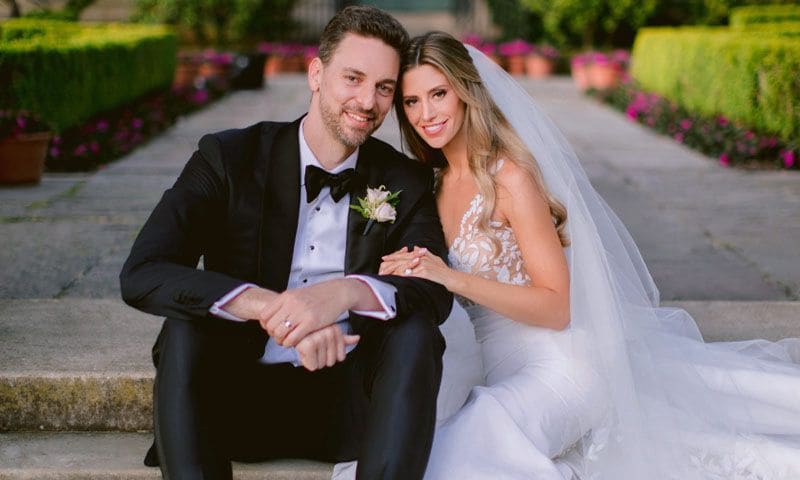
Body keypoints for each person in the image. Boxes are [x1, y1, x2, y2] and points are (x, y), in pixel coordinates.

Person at [376, 31, 800, 479]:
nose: (427, 114)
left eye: (438, 94)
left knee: (477, 436)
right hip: (492, 365)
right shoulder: (431, 185)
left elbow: (558, 306)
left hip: (560, 365)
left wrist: (452, 278)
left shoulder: (509, 177)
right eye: (411, 102)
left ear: (464, 91)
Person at [119, 7, 452, 480]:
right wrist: (271, 309)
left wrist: (341, 294)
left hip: (352, 415)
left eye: (384, 87)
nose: (367, 101)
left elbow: (435, 292)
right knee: (185, 326)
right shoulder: (229, 157)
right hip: (236, 405)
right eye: (353, 78)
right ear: (316, 74)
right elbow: (143, 271)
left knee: (418, 333)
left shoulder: (405, 179)